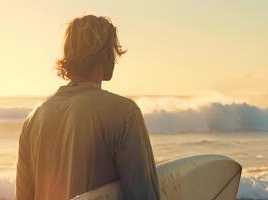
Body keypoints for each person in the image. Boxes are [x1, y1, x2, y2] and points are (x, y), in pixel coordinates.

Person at [15, 15, 160, 200]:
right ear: (105, 55)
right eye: (112, 51)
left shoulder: (34, 118)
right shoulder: (124, 113)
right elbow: (143, 195)